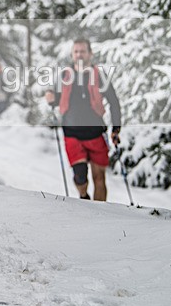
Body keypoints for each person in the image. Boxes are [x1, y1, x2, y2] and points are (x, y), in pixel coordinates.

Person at [45, 38, 122, 201]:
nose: (79, 55)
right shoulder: (65, 75)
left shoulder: (100, 76)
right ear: (72, 54)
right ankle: (84, 197)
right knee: (80, 177)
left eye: (82, 51)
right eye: (76, 51)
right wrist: (51, 98)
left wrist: (116, 129)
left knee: (99, 178)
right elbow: (58, 100)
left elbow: (114, 102)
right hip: (72, 133)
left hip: (96, 133)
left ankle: (100, 212)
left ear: (90, 53)